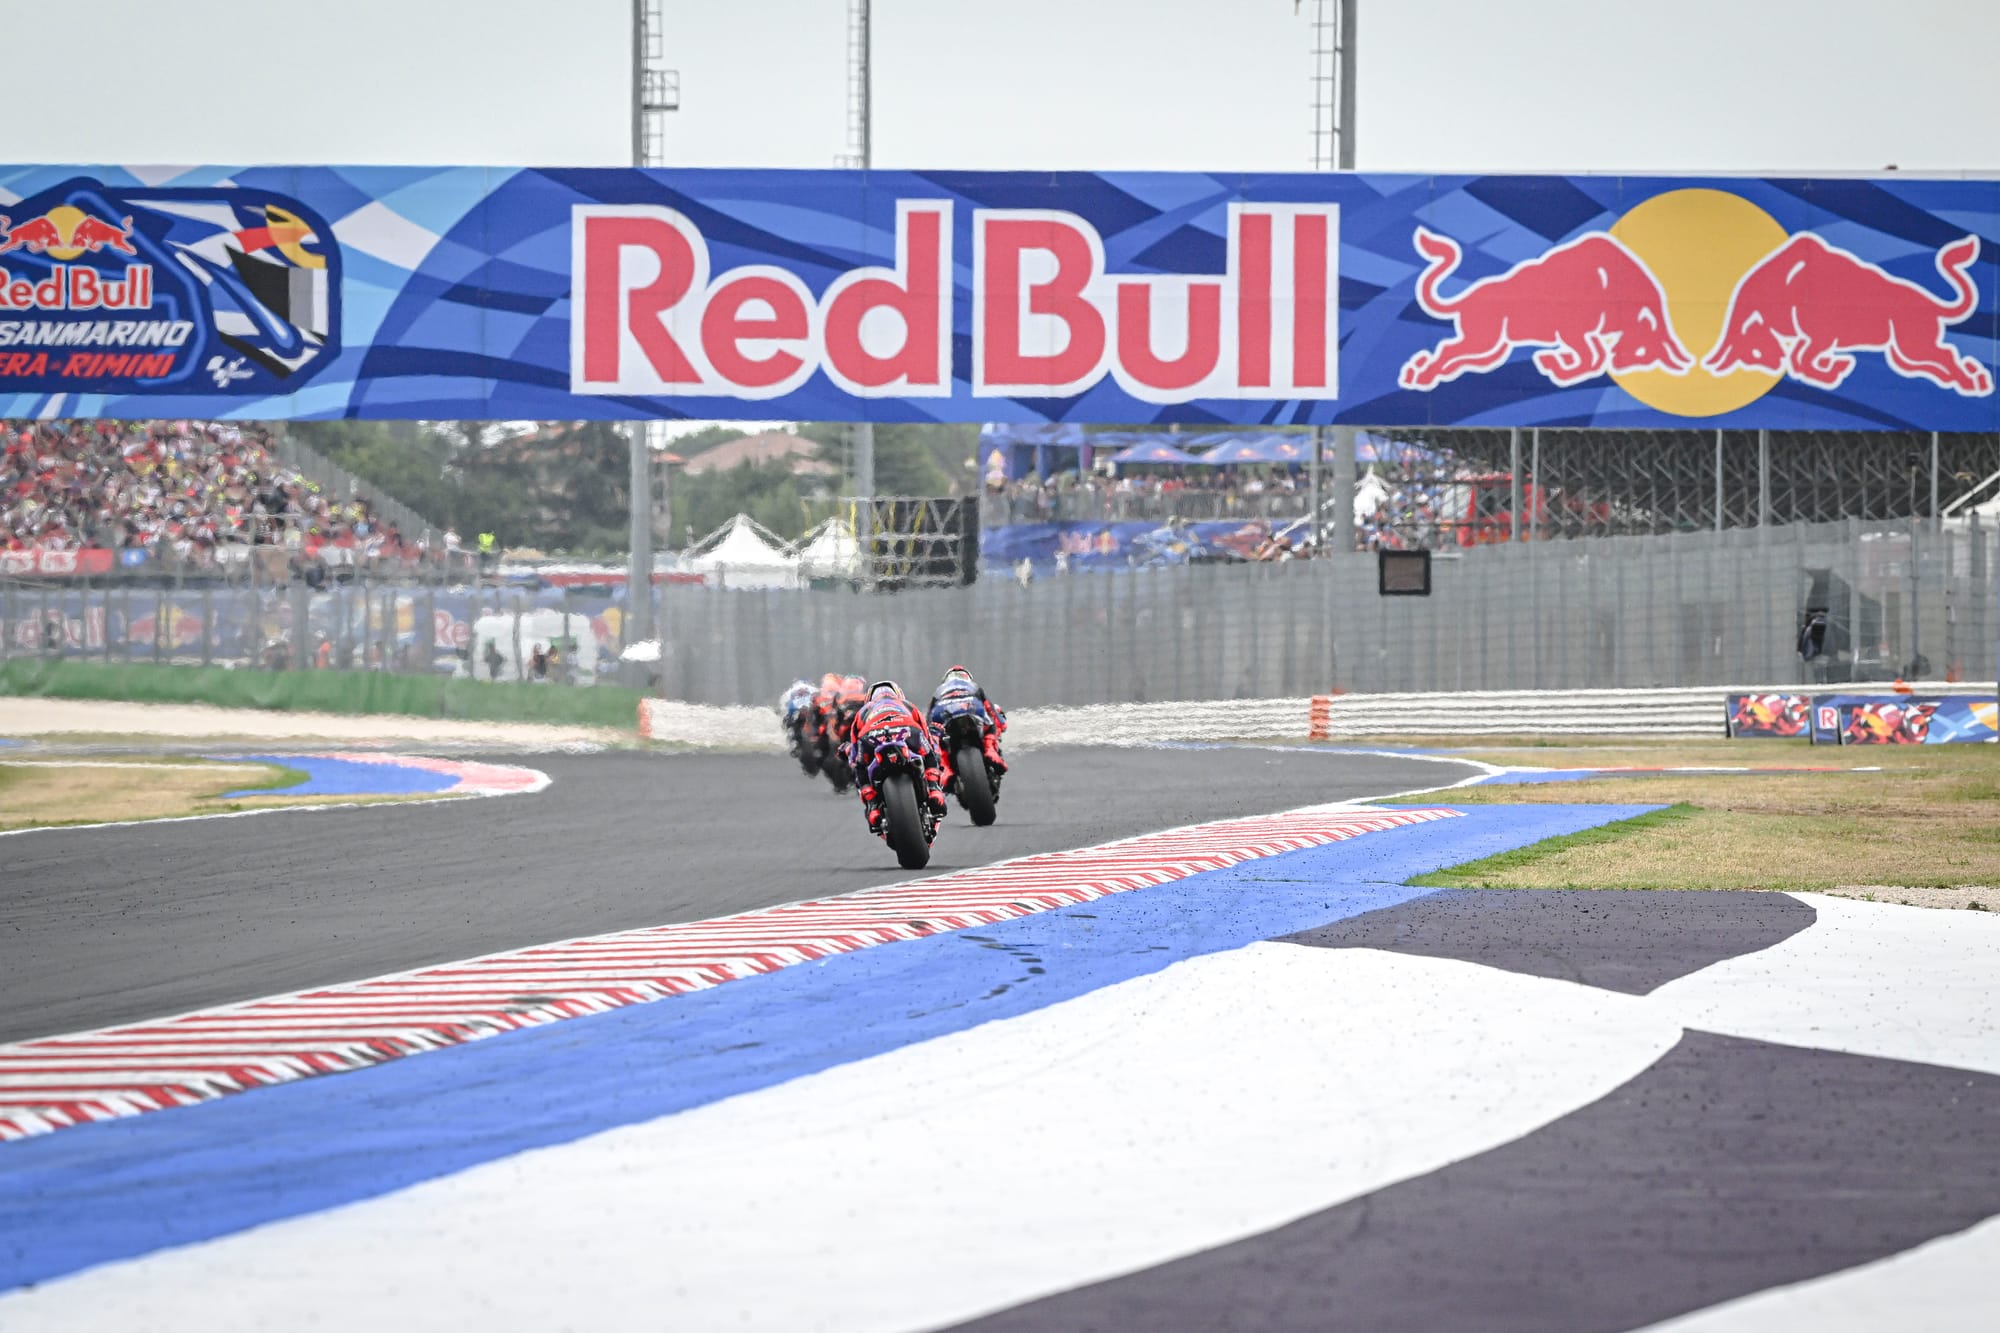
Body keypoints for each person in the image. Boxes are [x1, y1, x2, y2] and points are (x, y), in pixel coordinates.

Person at [845, 681, 948, 833]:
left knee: (859, 767)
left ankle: (873, 805)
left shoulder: (863, 711)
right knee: (929, 754)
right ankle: (933, 789)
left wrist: (849, 754)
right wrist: (934, 738)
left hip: (871, 736)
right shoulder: (907, 705)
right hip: (907, 729)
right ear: (898, 693)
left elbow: (854, 749)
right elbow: (926, 734)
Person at [929, 664, 1009, 774]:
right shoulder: (973, 686)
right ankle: (990, 749)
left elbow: (929, 719)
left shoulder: (939, 691)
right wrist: (1001, 723)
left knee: (936, 737)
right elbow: (991, 709)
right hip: (971, 709)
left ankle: (945, 768)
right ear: (967, 677)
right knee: (990, 722)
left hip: (945, 714)